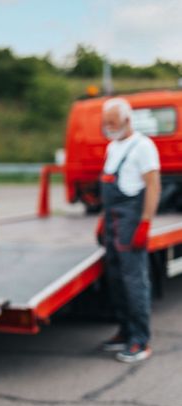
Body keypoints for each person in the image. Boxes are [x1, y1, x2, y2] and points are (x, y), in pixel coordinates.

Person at [96, 97, 161, 363]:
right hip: (112, 219)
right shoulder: (113, 147)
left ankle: (139, 340)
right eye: (106, 123)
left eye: (113, 123)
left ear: (127, 120)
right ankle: (124, 331)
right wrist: (103, 219)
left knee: (134, 281)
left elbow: (153, 185)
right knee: (116, 278)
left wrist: (145, 222)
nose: (109, 127)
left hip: (131, 219)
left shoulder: (143, 147)